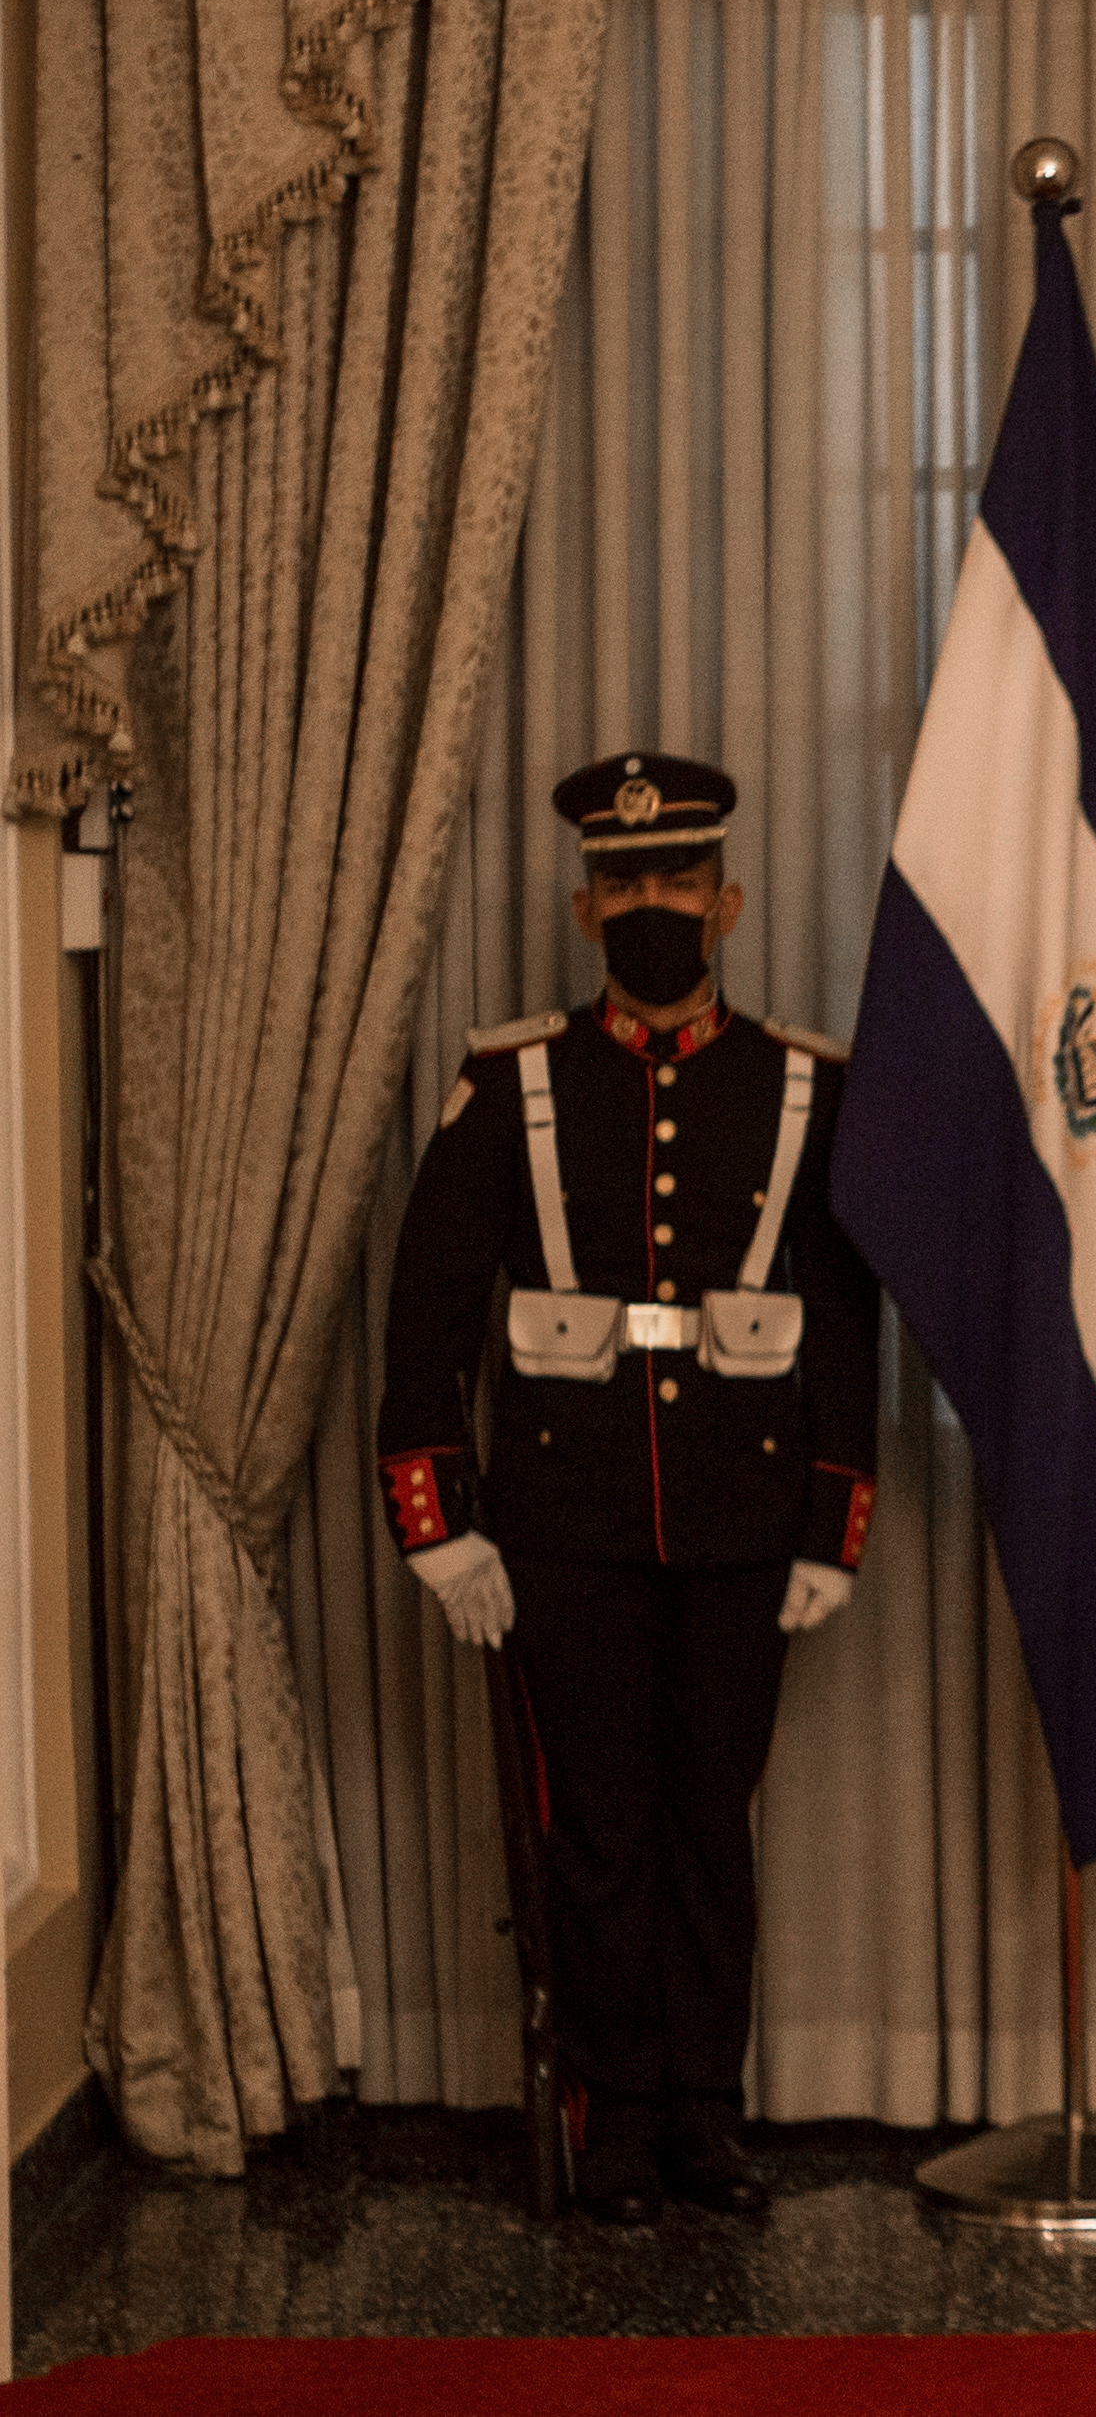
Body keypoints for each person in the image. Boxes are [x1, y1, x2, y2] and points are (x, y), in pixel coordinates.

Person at [375, 752, 880, 2224]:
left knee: (709, 1827)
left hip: (743, 1517)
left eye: (676, 881)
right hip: (563, 1528)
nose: (650, 904)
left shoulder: (805, 1085)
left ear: (726, 899)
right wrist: (440, 1522)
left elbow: (843, 1318)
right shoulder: (513, 1081)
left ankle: (706, 2120)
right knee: (592, 1829)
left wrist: (834, 1518)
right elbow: (426, 1314)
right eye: (622, 883)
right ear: (585, 907)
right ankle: (609, 2122)